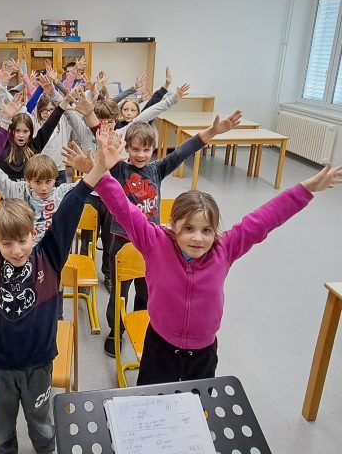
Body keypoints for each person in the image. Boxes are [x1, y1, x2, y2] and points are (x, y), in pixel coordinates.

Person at [97, 134, 342, 385]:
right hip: (159, 346)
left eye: (206, 230)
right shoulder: (155, 242)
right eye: (189, 229)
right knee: (153, 399)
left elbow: (264, 219)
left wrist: (306, 189)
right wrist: (100, 173)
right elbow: (123, 209)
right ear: (173, 225)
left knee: (197, 401)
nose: (198, 238)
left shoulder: (224, 248)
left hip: (203, 352)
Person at [0, 129, 116, 454]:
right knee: (3, 434)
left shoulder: (50, 255)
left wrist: (99, 168)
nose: (16, 250)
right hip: (1, 366)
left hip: (39, 365)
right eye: (7, 243)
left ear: (34, 233)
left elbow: (72, 205)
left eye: (23, 240)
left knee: (42, 429)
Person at [101, 114, 243, 357]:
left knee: (147, 292)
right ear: (127, 149)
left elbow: (182, 152)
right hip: (122, 242)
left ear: (154, 150)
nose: (141, 155)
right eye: (135, 149)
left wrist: (212, 131)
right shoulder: (119, 169)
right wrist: (104, 146)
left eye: (146, 149)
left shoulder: (156, 169)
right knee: (118, 293)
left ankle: (144, 326)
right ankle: (116, 331)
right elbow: (102, 167)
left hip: (151, 247)